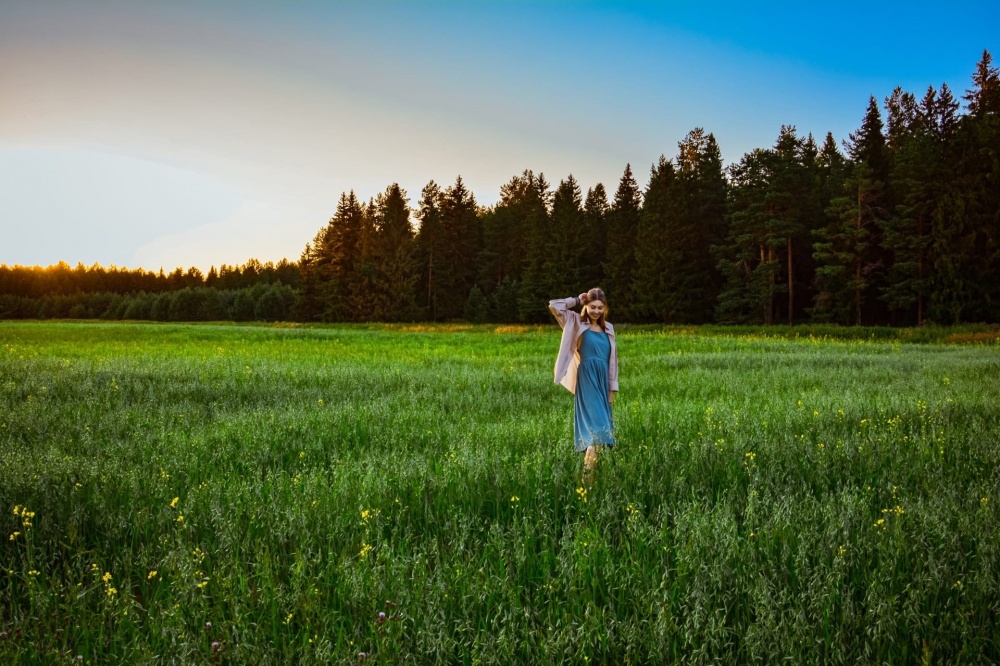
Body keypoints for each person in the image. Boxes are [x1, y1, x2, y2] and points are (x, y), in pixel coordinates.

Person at [548, 288, 618, 484]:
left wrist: (612, 390)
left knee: (602, 438)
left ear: (605, 309)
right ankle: (585, 484)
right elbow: (555, 306)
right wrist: (577, 299)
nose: (596, 311)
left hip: (603, 383)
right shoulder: (576, 322)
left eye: (600, 308)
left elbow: (613, 362)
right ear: (586, 307)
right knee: (597, 436)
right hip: (587, 381)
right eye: (592, 307)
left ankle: (590, 482)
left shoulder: (609, 329)